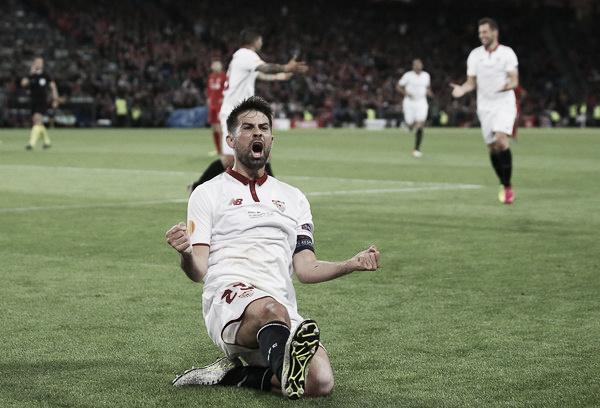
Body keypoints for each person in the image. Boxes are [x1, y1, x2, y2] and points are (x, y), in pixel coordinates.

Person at [166, 96, 380, 399]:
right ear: (230, 139)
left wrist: (351, 264)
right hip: (229, 300)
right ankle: (286, 362)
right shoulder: (207, 193)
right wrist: (186, 252)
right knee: (271, 310)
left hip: (279, 308)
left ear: (271, 139)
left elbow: (306, 268)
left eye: (264, 128)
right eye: (248, 127)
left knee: (320, 382)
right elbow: (198, 270)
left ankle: (237, 374)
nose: (257, 133)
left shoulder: (293, 198)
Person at [188, 27, 308, 192]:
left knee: (263, 152)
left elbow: (258, 75)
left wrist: (278, 77)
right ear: (255, 41)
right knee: (230, 159)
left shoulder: (240, 58)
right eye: (260, 40)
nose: (262, 43)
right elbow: (264, 68)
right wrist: (285, 68)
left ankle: (272, 194)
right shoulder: (246, 55)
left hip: (245, 113)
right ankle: (196, 186)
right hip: (232, 113)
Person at [450, 17, 519, 204]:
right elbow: (471, 83)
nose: (482, 35)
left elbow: (514, 80)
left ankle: (507, 186)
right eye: (480, 32)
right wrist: (461, 89)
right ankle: (503, 182)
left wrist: (507, 86)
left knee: (501, 141)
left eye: (485, 32)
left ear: (495, 32)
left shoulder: (507, 53)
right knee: (492, 148)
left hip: (504, 103)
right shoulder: (474, 55)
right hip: (485, 106)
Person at [397, 58, 434, 158]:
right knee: (410, 124)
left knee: (420, 124)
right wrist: (406, 93)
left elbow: (427, 87)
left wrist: (430, 93)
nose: (419, 65)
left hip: (421, 102)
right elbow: (399, 86)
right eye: (417, 64)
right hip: (409, 103)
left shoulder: (426, 76)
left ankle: (416, 149)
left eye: (420, 63)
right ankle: (409, 127)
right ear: (413, 66)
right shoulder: (408, 75)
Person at [21, 57, 59, 150]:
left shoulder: (46, 74)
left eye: (40, 62)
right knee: (37, 121)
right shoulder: (30, 74)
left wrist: (55, 99)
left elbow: (53, 86)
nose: (39, 64)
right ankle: (47, 142)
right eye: (37, 62)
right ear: (34, 63)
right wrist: (30, 74)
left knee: (37, 118)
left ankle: (31, 144)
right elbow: (23, 83)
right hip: (33, 100)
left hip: (42, 100)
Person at [206, 58, 227, 156]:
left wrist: (224, 97)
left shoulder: (224, 76)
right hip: (212, 105)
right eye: (214, 65)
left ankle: (225, 149)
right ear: (211, 67)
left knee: (220, 127)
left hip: (220, 105)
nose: (216, 66)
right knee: (214, 127)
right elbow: (209, 89)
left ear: (221, 66)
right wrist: (208, 98)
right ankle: (218, 150)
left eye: (218, 64)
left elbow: (228, 88)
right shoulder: (210, 76)